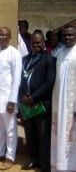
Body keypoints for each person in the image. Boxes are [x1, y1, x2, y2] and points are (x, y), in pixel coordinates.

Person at [19, 31, 55, 172]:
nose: (36, 45)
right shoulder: (25, 59)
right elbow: (21, 80)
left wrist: (33, 97)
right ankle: (33, 159)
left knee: (43, 135)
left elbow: (49, 82)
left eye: (38, 42)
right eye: (33, 43)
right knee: (30, 133)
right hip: (27, 104)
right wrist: (23, 96)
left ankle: (44, 164)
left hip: (41, 104)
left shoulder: (49, 60)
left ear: (43, 43)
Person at [0, 27, 22, 170]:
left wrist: (12, 100)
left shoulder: (15, 53)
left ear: (10, 37)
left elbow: (17, 78)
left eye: (5, 35)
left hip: (8, 99)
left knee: (10, 129)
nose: (2, 37)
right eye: (0, 34)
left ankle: (10, 157)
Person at [51, 25, 76, 172]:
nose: (67, 38)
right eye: (65, 36)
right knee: (59, 132)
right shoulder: (59, 53)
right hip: (58, 101)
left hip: (72, 104)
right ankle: (59, 165)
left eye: (70, 35)